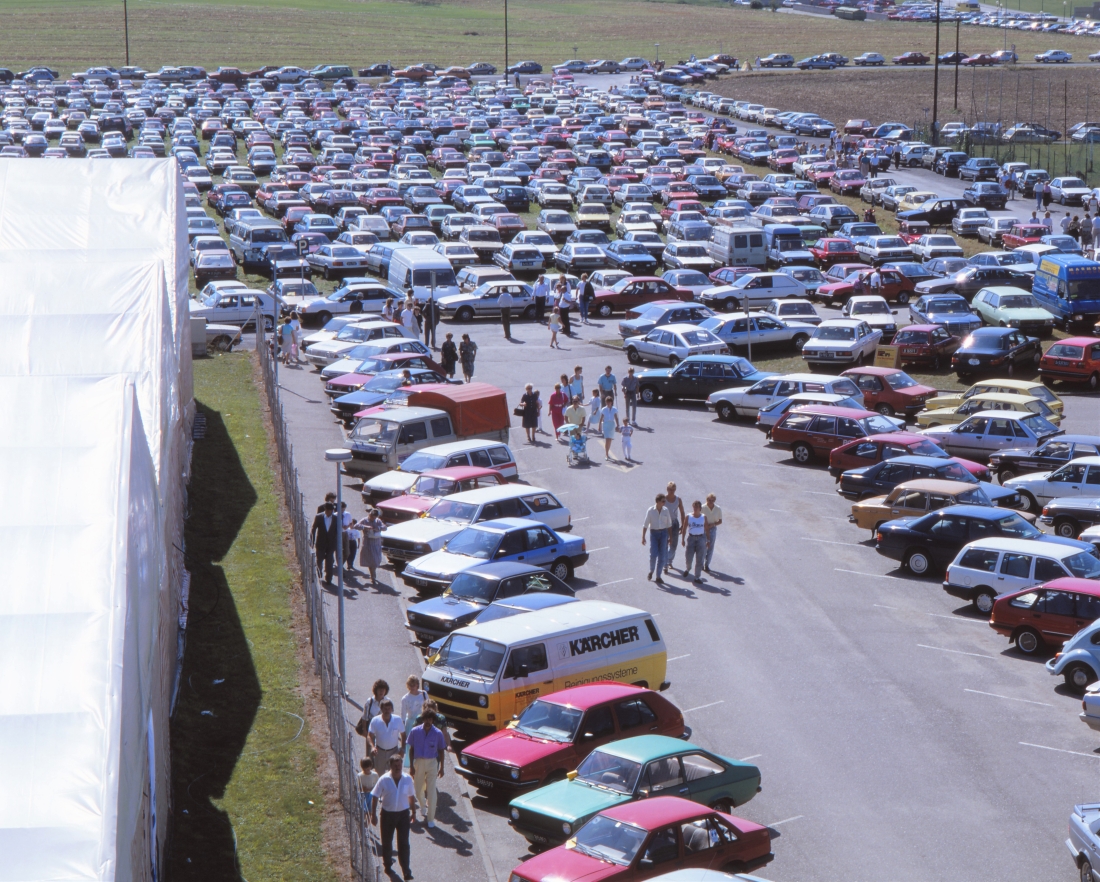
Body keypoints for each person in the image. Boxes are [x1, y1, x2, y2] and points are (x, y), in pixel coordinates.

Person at [370, 753, 416, 881]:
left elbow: (411, 796)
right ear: (390, 766)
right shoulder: (384, 779)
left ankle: (406, 871)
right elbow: (375, 796)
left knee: (404, 843)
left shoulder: (407, 779)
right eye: (395, 765)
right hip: (388, 815)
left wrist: (414, 812)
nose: (398, 767)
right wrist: (373, 814)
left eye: (399, 765)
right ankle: (388, 865)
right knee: (387, 841)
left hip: (403, 815)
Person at [407, 708, 446, 829]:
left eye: (430, 719)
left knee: (431, 790)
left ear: (433, 720)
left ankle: (430, 818)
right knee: (418, 789)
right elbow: (411, 749)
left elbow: (441, 751)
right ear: (423, 719)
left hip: (432, 763)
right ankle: (423, 805)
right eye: (426, 718)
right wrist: (411, 767)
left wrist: (442, 768)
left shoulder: (438, 733)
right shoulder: (415, 731)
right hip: (419, 762)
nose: (428, 721)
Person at [642, 494, 673, 585]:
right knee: (653, 554)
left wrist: (670, 537)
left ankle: (658, 576)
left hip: (663, 533)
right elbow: (645, 524)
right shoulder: (651, 511)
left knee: (662, 555)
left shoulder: (665, 510)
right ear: (658, 502)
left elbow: (669, 524)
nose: (664, 503)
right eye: (663, 501)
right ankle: (651, 570)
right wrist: (643, 537)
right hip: (654, 533)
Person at [368, 698, 406, 770]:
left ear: (392, 710)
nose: (387, 711)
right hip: (380, 752)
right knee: (379, 775)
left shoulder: (397, 720)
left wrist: (403, 749)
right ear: (381, 709)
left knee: (394, 774)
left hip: (394, 752)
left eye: (389, 708)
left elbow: (403, 735)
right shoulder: (375, 720)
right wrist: (372, 747)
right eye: (385, 709)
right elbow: (369, 735)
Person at [355, 679, 390, 748]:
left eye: (383, 690)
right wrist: (365, 731)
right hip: (371, 728)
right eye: (379, 689)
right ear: (376, 690)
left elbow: (390, 717)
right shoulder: (369, 701)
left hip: (383, 728)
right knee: (370, 749)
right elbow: (365, 717)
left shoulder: (388, 701)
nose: (381, 692)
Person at [310, 501, 339, 583]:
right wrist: (312, 540)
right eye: (327, 510)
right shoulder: (319, 517)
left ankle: (329, 578)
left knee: (329, 562)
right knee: (319, 560)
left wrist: (336, 544)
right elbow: (314, 529)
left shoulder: (336, 518)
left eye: (330, 510)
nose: (329, 512)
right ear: (325, 510)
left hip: (331, 545)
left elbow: (337, 532)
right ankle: (318, 574)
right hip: (320, 543)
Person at [681, 500, 708, 584]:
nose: (695, 508)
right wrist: (683, 539)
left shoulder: (703, 517)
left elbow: (706, 529)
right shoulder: (688, 516)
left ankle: (697, 577)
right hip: (691, 538)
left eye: (697, 507)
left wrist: (708, 540)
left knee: (700, 559)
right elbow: (684, 528)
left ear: (700, 508)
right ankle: (688, 568)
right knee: (688, 557)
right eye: (694, 506)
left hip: (701, 538)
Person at [664, 482, 686, 574]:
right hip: (664, 524)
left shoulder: (678, 500)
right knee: (664, 544)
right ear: (667, 489)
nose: (671, 491)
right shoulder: (663, 499)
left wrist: (683, 525)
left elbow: (682, 512)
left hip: (674, 523)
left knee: (673, 545)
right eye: (670, 489)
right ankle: (664, 563)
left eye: (673, 489)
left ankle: (669, 561)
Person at [359, 508, 384, 584]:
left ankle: (373, 574)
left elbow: (385, 527)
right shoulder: (364, 520)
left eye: (375, 517)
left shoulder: (378, 521)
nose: (373, 518)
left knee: (376, 561)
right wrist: (365, 527)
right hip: (368, 543)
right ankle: (373, 576)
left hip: (376, 543)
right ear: (369, 514)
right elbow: (356, 526)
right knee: (371, 560)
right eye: (372, 516)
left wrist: (378, 528)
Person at [703, 493, 723, 573]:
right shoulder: (702, 507)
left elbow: (720, 521)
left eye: (712, 500)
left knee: (710, 547)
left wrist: (713, 524)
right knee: (703, 547)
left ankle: (707, 564)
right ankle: (701, 564)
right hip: (703, 529)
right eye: (708, 500)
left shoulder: (718, 509)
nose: (710, 502)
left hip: (712, 529)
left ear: (714, 501)